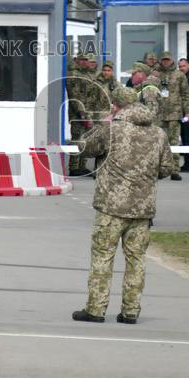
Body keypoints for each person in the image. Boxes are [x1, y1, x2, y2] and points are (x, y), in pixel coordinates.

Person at [72, 86, 178, 324]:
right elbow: (167, 168)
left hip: (111, 206)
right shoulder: (158, 133)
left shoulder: (112, 129)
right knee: (136, 258)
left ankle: (96, 309)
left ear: (116, 106)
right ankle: (131, 310)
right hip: (142, 208)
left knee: (103, 255)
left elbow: (84, 148)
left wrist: (104, 123)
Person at [67, 54, 107, 176]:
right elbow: (74, 96)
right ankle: (74, 167)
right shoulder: (74, 74)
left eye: (86, 60)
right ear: (78, 61)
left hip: (90, 112)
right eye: (83, 60)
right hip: (78, 114)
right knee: (76, 139)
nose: (85, 62)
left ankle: (82, 166)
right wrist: (82, 114)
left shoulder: (87, 74)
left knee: (85, 139)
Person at [154, 52, 189, 181]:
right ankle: (158, 169)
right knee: (157, 143)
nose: (165, 62)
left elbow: (186, 94)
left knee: (174, 143)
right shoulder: (155, 74)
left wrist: (188, 112)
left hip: (174, 114)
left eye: (167, 60)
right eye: (163, 60)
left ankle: (174, 170)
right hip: (158, 113)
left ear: (172, 61)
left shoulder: (179, 75)